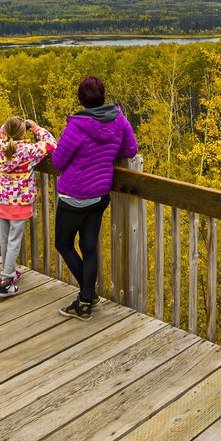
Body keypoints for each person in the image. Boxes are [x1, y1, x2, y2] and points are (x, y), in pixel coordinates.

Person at [52, 76, 137, 320]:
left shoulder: (77, 125)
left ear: (81, 99)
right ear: (103, 96)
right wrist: (106, 154)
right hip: (99, 195)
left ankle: (87, 296)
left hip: (74, 196)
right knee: (88, 247)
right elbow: (130, 149)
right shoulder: (118, 119)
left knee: (63, 244)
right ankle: (88, 297)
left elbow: (58, 161)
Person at [0, 117, 56, 297]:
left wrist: (7, 125)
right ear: (23, 132)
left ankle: (7, 271)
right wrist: (35, 127)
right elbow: (51, 143)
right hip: (21, 200)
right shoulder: (28, 150)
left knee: (5, 240)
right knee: (14, 241)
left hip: (3, 198)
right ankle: (5, 281)